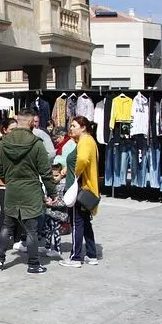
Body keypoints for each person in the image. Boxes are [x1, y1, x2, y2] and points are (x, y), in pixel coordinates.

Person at [0, 112, 55, 274]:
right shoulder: (36, 144)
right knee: (31, 230)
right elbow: (46, 172)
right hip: (31, 191)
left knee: (7, 226)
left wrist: (10, 179)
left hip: (12, 190)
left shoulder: (3, 143)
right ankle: (33, 264)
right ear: (31, 123)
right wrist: (53, 193)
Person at [60, 115, 100, 268]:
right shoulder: (86, 141)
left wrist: (76, 173)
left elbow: (82, 160)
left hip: (79, 188)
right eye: (71, 125)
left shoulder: (85, 141)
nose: (71, 128)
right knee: (85, 222)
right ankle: (91, 254)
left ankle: (75, 257)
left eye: (74, 126)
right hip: (84, 187)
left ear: (83, 128)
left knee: (77, 222)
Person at [39, 160, 69, 257]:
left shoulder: (63, 186)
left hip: (58, 213)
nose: (54, 178)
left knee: (56, 230)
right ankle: (47, 246)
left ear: (62, 175)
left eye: (56, 175)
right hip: (49, 211)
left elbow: (64, 201)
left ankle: (57, 249)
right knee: (47, 229)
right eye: (52, 175)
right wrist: (45, 200)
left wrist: (52, 203)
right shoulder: (50, 185)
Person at [0, 118, 14, 246]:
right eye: (12, 129)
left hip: (15, 181)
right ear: (4, 130)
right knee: (5, 212)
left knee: (17, 212)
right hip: (2, 182)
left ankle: (17, 240)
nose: (15, 132)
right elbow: (0, 167)